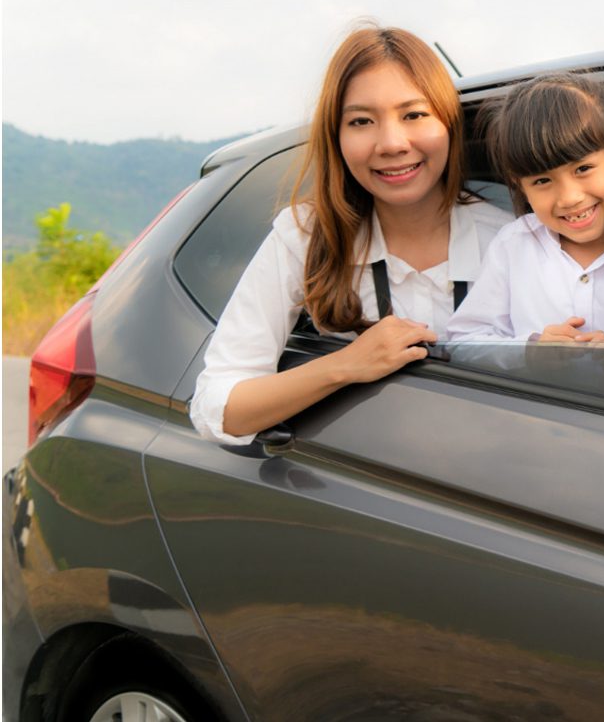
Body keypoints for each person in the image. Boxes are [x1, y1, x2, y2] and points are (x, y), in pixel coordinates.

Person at [190, 25, 512, 444]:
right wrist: (345, 365)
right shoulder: (306, 238)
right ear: (336, 137)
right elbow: (217, 407)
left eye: (414, 115)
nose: (392, 143)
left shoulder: (511, 242)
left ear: (449, 123)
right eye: (361, 121)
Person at [446, 72, 604, 344]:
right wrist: (530, 348)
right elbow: (464, 340)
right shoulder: (513, 245)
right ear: (520, 186)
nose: (569, 198)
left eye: (583, 169)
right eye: (542, 181)